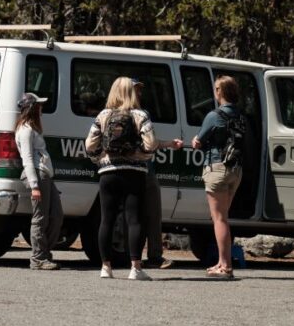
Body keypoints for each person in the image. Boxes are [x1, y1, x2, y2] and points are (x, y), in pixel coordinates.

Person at [85, 77, 158, 280]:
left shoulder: (104, 115)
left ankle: (105, 267)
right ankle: (135, 268)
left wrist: (99, 159)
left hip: (108, 173)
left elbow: (89, 145)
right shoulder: (140, 115)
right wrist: (140, 156)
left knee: (106, 219)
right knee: (134, 219)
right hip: (134, 173)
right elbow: (150, 144)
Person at [191, 75, 243, 279]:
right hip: (235, 170)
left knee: (219, 219)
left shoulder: (214, 116)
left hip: (217, 168)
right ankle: (221, 262)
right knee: (223, 217)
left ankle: (226, 266)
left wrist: (195, 140)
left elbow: (199, 141)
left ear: (220, 92)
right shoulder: (239, 115)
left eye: (216, 88)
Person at [131, 79, 183, 269]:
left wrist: (168, 144)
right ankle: (152, 256)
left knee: (136, 215)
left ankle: (136, 257)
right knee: (150, 213)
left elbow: (150, 142)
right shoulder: (142, 114)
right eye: (137, 90)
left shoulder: (113, 113)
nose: (140, 94)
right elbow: (150, 143)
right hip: (144, 169)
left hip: (125, 169)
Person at [15, 92, 64, 270]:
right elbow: (27, 159)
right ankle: (38, 258)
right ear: (32, 108)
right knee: (40, 218)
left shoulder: (33, 128)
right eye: (39, 105)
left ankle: (44, 253)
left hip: (45, 175)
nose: (41, 108)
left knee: (57, 215)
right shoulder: (25, 130)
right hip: (37, 174)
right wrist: (35, 186)